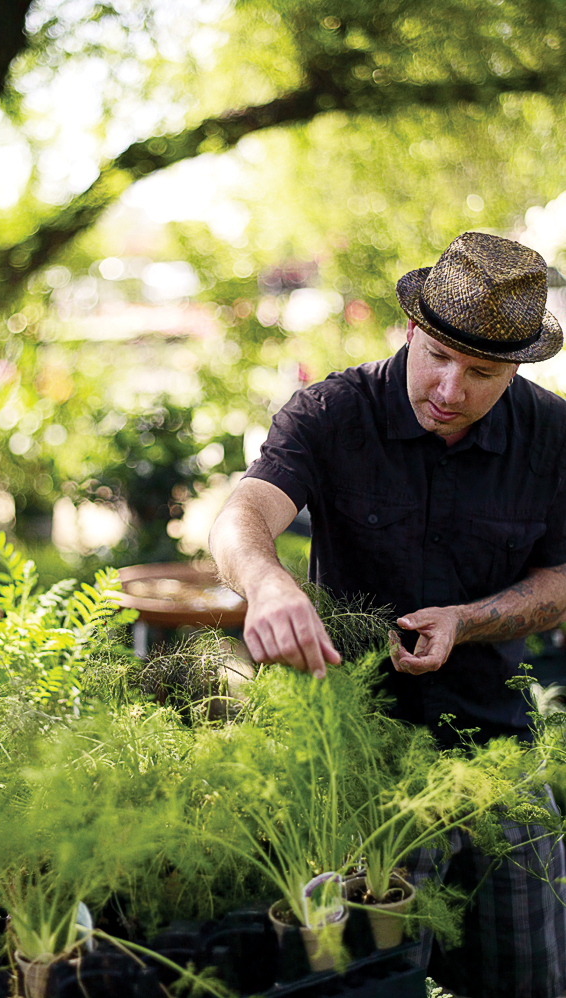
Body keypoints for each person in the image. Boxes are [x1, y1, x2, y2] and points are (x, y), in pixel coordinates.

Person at [209, 231, 566, 998]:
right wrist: (269, 586)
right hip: (350, 758)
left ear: (516, 368)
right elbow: (241, 514)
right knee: (364, 986)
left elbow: (563, 578)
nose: (449, 388)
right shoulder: (333, 411)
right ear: (411, 329)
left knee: (529, 977)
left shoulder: (553, 434)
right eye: (438, 355)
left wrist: (467, 620)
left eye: (482, 373)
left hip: (491, 749)